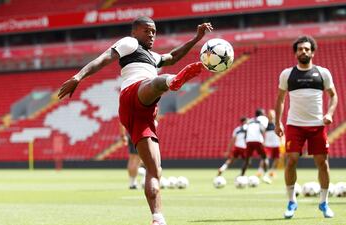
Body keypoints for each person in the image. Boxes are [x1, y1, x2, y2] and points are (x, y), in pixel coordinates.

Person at [58, 16, 213, 225]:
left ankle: (157, 217)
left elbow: (174, 56)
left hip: (143, 116)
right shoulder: (129, 44)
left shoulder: (154, 57)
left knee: (154, 169)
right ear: (135, 32)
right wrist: (78, 77)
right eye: (147, 30)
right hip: (133, 93)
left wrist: (196, 38)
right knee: (153, 84)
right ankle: (171, 80)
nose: (151, 34)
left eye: (154, 31)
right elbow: (103, 58)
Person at [275, 36, 338, 219]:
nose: (303, 51)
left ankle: (324, 203)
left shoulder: (323, 73)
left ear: (312, 52)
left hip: (317, 125)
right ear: (295, 53)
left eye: (307, 49)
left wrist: (329, 114)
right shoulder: (287, 74)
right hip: (294, 125)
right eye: (300, 49)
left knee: (322, 164)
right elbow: (280, 99)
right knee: (291, 160)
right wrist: (278, 122)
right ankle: (291, 201)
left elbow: (333, 96)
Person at [240, 108, 272, 184]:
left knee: (247, 160)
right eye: (264, 113)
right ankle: (265, 176)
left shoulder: (250, 120)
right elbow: (262, 129)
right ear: (261, 113)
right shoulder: (264, 119)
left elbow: (244, 129)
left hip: (249, 141)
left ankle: (242, 176)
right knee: (265, 158)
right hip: (258, 140)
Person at [119, 123, 143, 189]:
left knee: (131, 159)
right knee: (137, 160)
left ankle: (131, 182)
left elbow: (122, 123)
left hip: (130, 134)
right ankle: (134, 183)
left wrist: (123, 135)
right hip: (139, 134)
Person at [264, 109, 283, 178]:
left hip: (276, 143)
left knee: (277, 158)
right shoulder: (265, 123)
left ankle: (272, 171)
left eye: (272, 114)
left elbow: (281, 133)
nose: (271, 115)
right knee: (265, 158)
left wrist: (281, 141)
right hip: (267, 144)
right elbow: (263, 132)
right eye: (270, 114)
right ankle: (261, 171)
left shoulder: (278, 123)